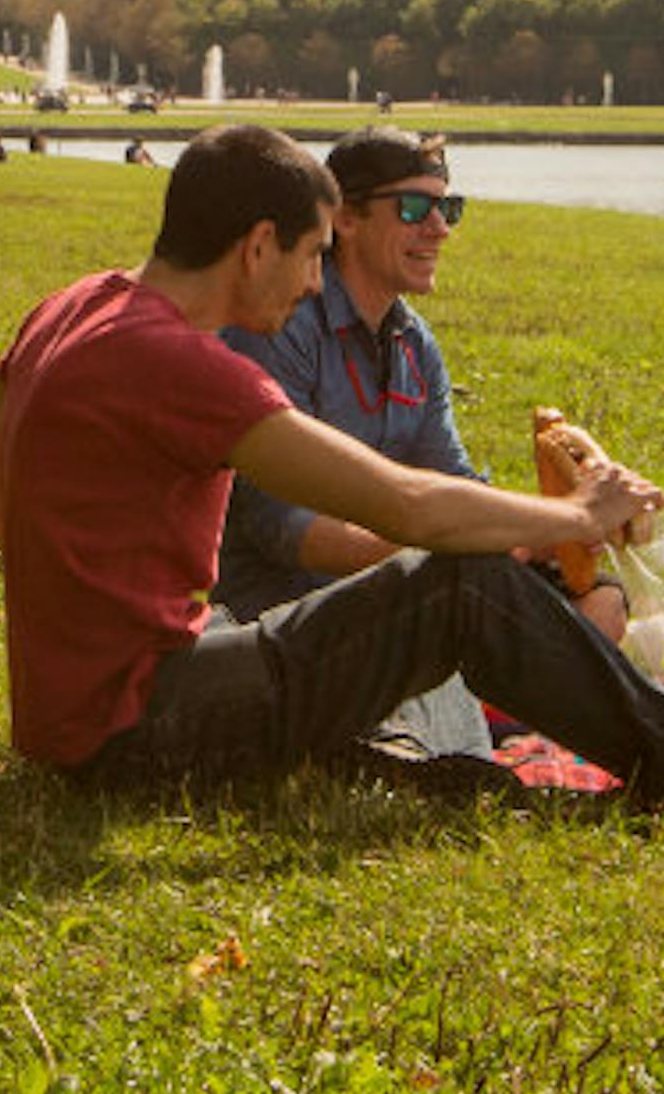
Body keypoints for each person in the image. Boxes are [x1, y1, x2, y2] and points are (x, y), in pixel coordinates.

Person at [0, 123, 664, 817]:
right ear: (257, 245)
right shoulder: (186, 365)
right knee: (460, 588)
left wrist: (65, 586)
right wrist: (582, 515)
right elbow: (407, 508)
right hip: (140, 728)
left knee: (414, 625)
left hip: (86, 716)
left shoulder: (78, 304)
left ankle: (417, 761)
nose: (315, 283)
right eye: (313, 253)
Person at [216, 137, 624, 763]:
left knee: (603, 603)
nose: (440, 229)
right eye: (414, 209)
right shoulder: (283, 326)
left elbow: (453, 479)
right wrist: (445, 556)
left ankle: (477, 700)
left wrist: (538, 531)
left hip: (407, 597)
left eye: (448, 208)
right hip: (289, 614)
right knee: (489, 629)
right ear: (344, 219)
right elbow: (284, 530)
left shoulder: (412, 343)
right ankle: (474, 713)